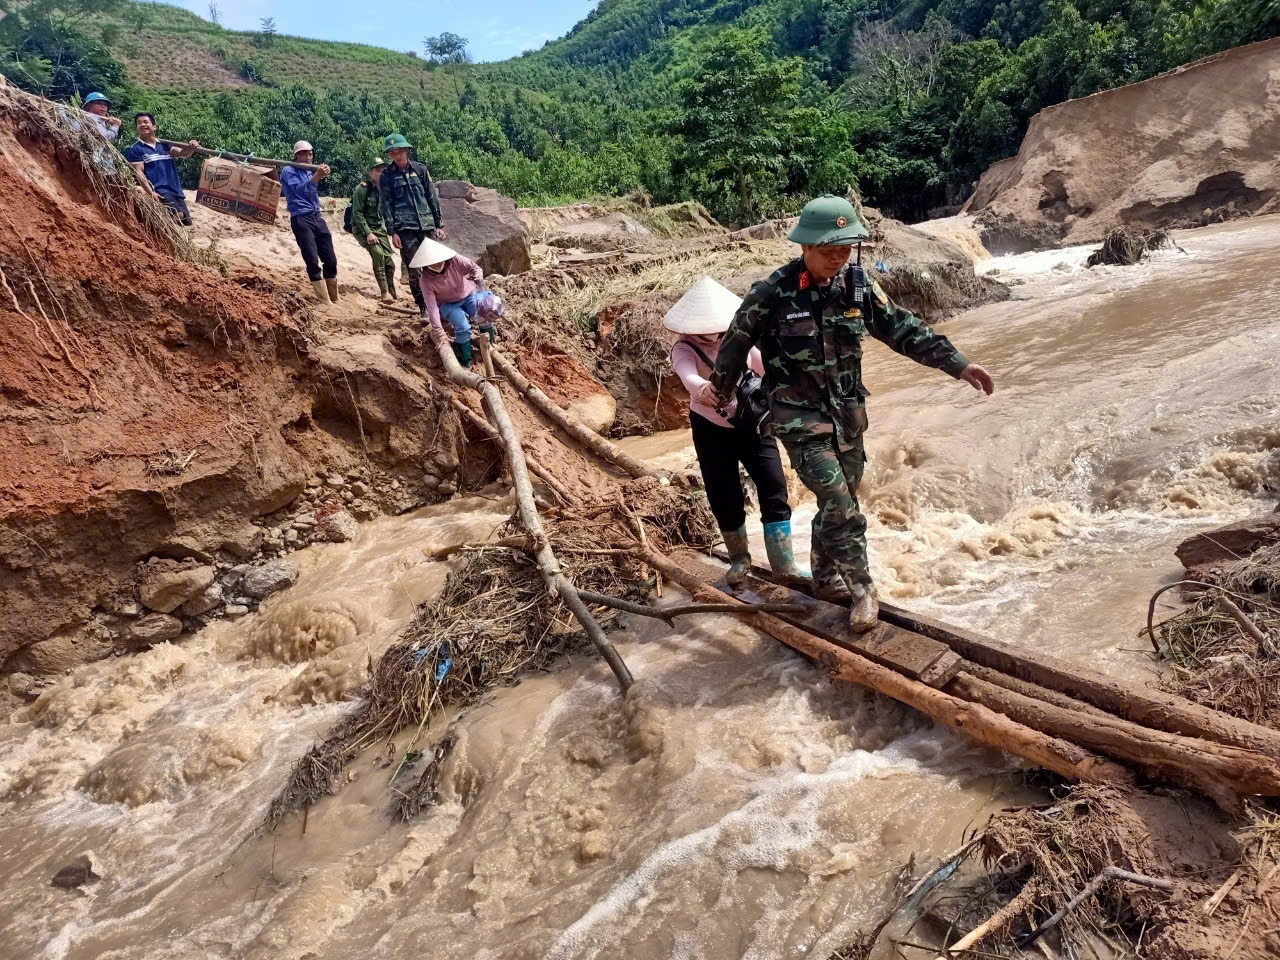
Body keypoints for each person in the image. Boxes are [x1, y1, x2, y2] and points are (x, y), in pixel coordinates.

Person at [711, 195, 995, 632]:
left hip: (848, 416)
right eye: (829, 250)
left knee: (839, 501)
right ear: (805, 246)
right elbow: (734, 344)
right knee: (840, 504)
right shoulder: (771, 293)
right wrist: (721, 390)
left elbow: (903, 329)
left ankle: (824, 577)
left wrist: (957, 364)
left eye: (845, 249)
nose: (838, 258)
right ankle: (864, 588)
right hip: (798, 419)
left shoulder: (857, 287)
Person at [667, 277, 800, 587]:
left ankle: (785, 565)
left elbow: (769, 369)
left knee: (773, 486)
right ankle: (740, 561)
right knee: (723, 494)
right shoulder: (684, 347)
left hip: (753, 422)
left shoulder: (740, 338)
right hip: (711, 429)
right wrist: (701, 388)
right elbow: (686, 374)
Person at [378, 133, 446, 316]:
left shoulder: (420, 170)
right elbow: (386, 205)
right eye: (392, 152)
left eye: (400, 150)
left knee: (435, 265)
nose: (397, 155)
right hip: (405, 228)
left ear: (407, 150)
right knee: (414, 269)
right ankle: (424, 306)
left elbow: (431, 197)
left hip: (426, 224)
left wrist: (439, 224)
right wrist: (392, 231)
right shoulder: (387, 176)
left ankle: (440, 303)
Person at [410, 238, 502, 369]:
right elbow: (432, 307)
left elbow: (475, 268)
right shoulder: (426, 280)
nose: (436, 264)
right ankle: (465, 361)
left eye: (438, 260)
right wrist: (439, 332)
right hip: (448, 305)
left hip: (468, 294)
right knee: (463, 327)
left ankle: (491, 346)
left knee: (482, 315)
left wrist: (479, 287)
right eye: (432, 262)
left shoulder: (455, 260)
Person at [280, 140, 338, 305]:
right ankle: (324, 299)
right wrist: (316, 177)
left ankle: (334, 296)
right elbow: (299, 189)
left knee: (330, 259)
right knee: (312, 260)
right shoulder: (288, 170)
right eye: (304, 153)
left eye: (310, 153)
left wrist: (321, 173)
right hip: (301, 218)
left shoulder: (310, 171)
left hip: (317, 216)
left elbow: (312, 188)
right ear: (296, 155)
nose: (308, 157)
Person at [123, 113, 199, 226]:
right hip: (159, 189)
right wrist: (151, 193)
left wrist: (191, 147)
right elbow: (139, 172)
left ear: (154, 126)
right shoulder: (136, 149)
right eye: (139, 123)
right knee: (178, 216)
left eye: (145, 122)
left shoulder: (165, 145)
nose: (142, 125)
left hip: (175, 190)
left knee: (185, 222)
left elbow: (182, 153)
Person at [351, 157, 397, 303]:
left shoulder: (385, 190)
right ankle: (384, 293)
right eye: (377, 170)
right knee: (378, 254)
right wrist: (368, 233)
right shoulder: (362, 189)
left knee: (389, 261)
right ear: (371, 173)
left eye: (383, 170)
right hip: (362, 228)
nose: (381, 173)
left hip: (378, 228)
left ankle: (392, 291)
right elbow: (357, 214)